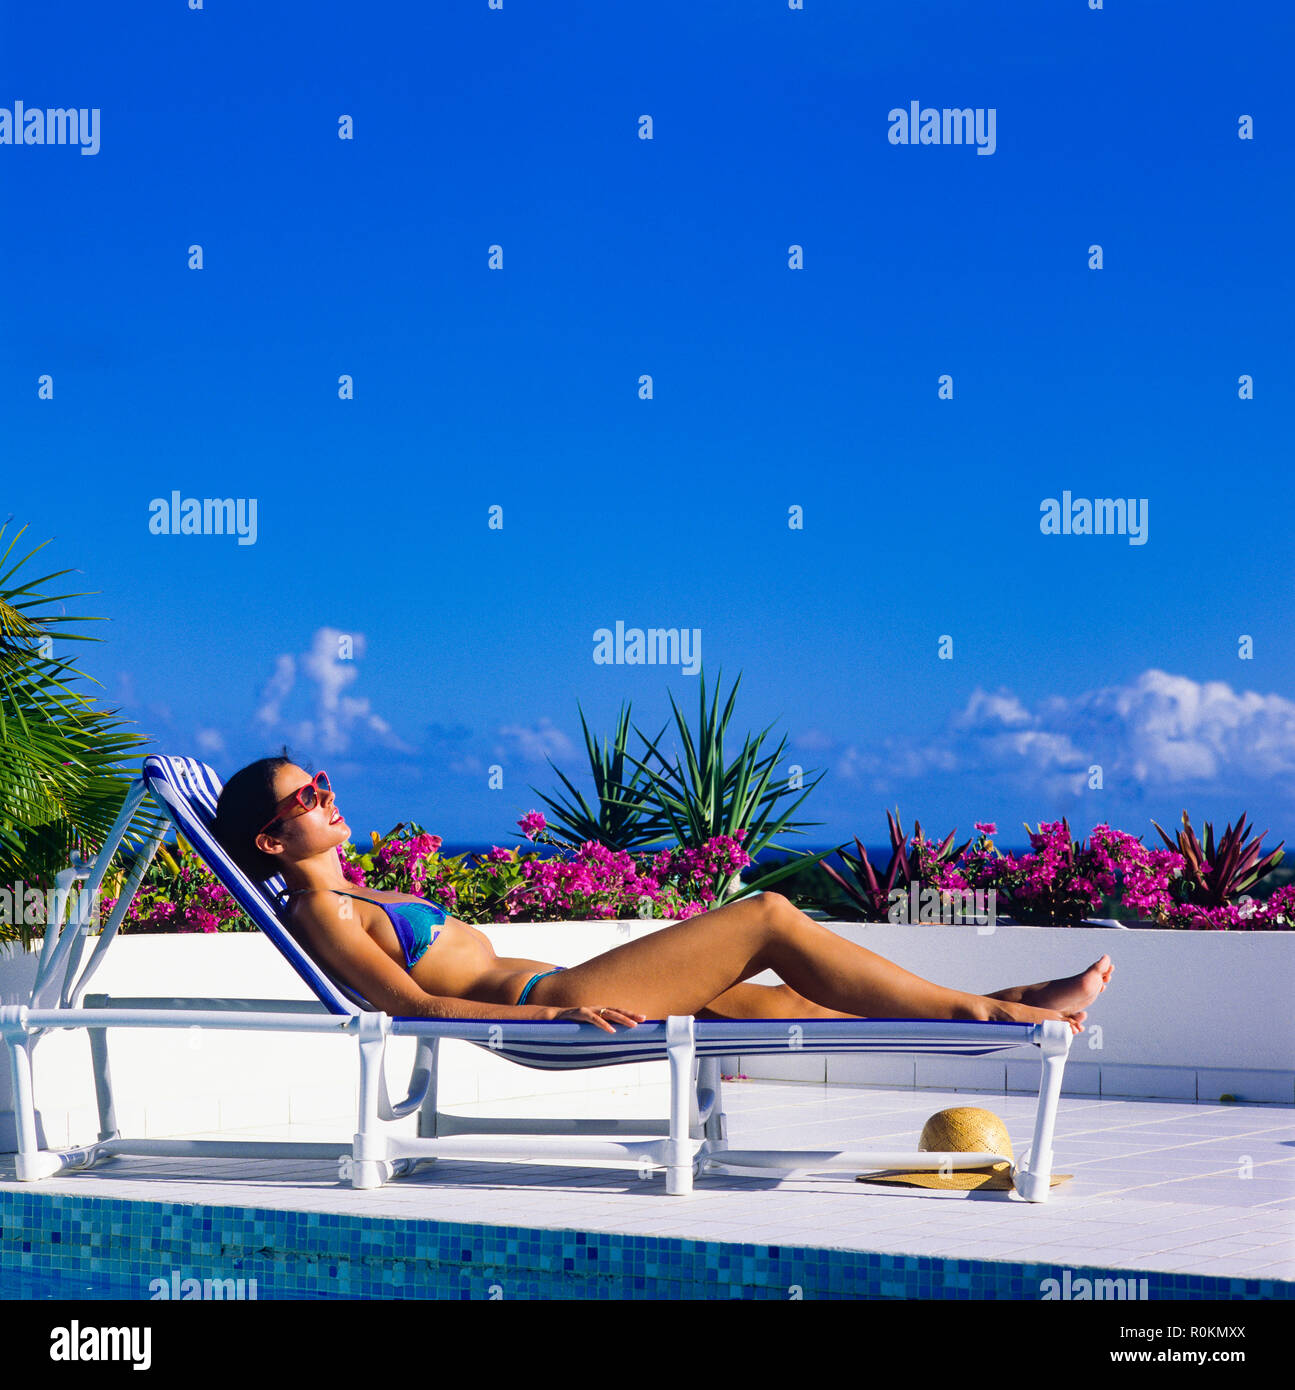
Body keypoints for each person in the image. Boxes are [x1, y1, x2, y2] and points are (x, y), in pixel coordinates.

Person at [212, 756, 1112, 1035]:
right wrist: (554, 1020)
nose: (326, 798)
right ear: (268, 840)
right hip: (554, 1002)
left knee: (792, 999)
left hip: (561, 983)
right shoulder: (320, 910)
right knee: (765, 916)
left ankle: (1017, 998)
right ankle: (990, 1016)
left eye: (321, 782)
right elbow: (410, 1004)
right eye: (305, 798)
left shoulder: (354, 890)